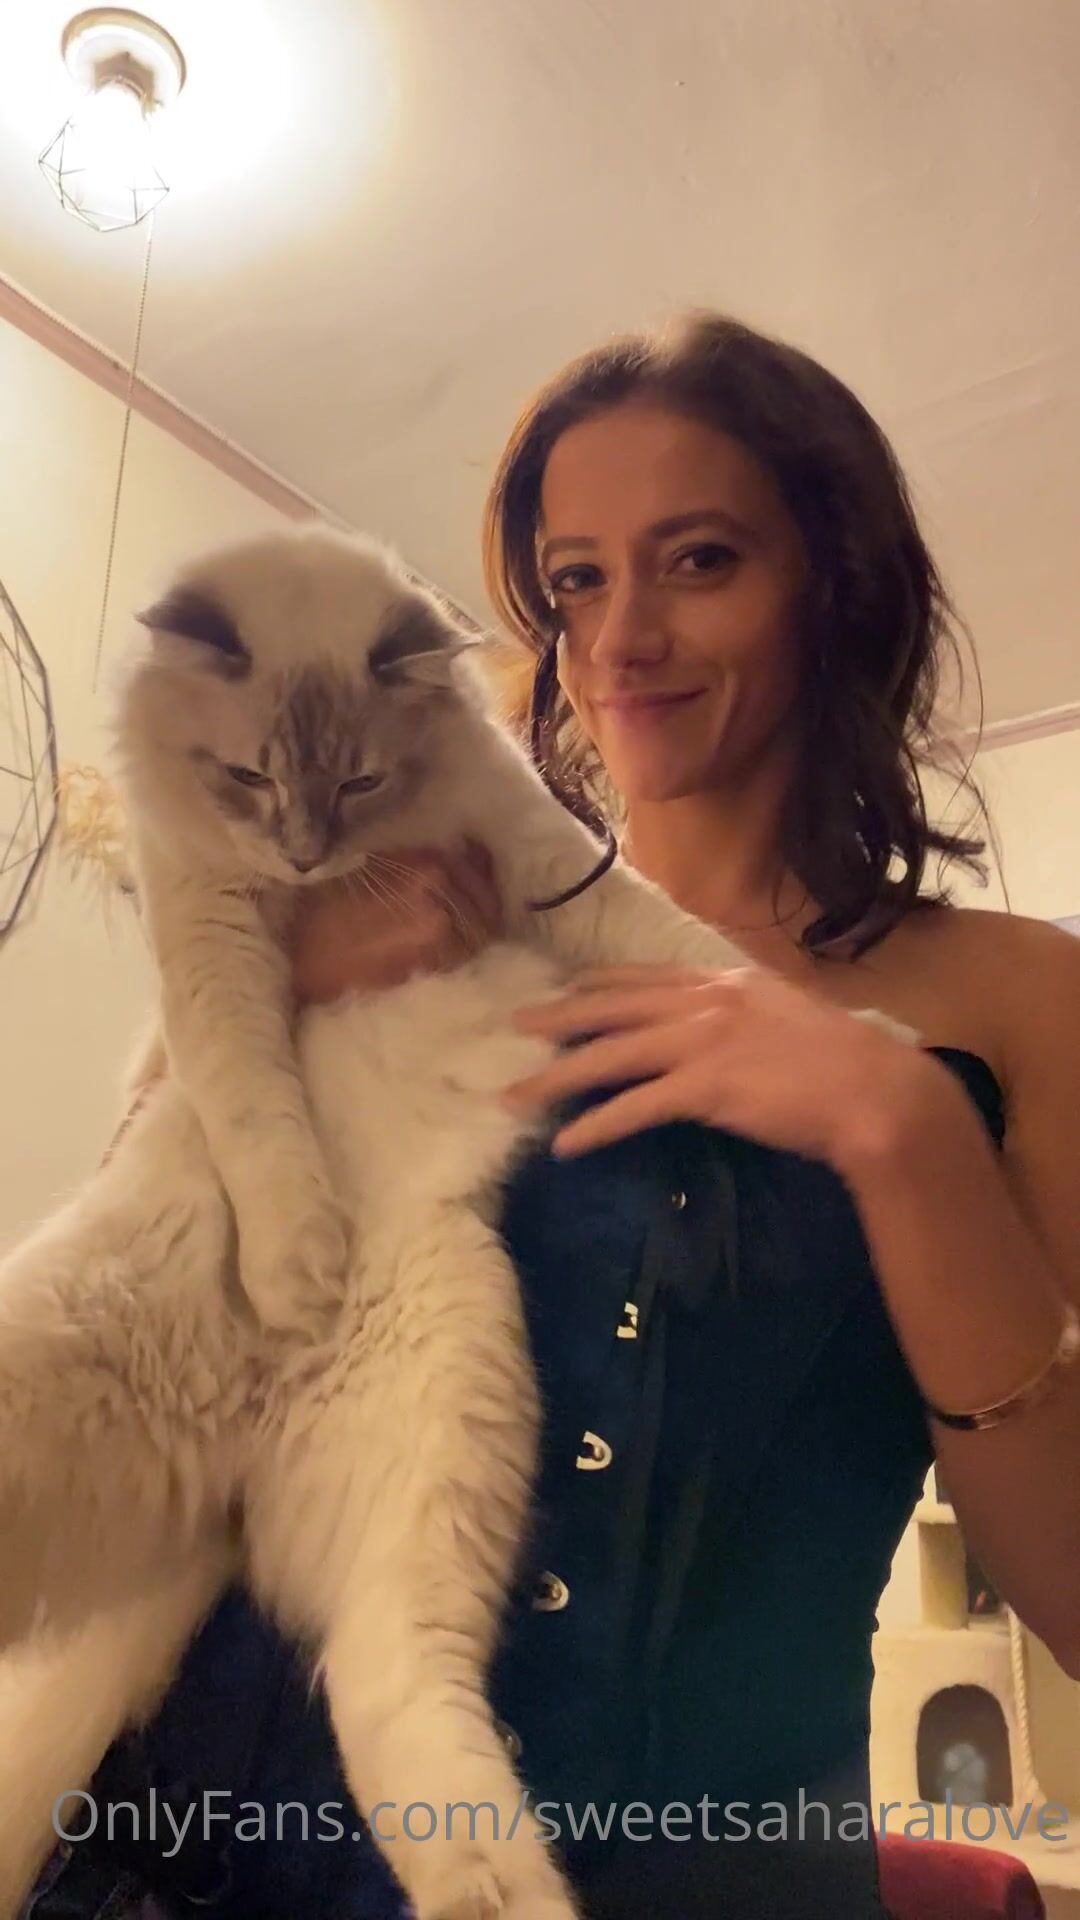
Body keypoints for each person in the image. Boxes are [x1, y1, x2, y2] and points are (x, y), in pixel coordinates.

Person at [21, 313, 1080, 1919]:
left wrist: (905, 1132)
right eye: (577, 581)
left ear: (835, 578)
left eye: (701, 559)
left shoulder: (1019, 997)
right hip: (179, 1854)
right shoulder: (400, 911)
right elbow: (149, 1300)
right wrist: (298, 985)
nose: (621, 637)